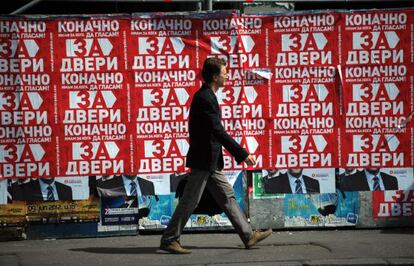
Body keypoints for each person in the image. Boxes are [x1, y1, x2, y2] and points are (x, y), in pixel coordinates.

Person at [159, 57, 271, 254]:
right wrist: (243, 154)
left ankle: (248, 235)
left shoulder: (208, 96)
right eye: (224, 72)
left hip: (210, 161)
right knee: (190, 201)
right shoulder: (205, 98)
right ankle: (169, 239)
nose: (227, 75)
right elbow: (218, 132)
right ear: (214, 76)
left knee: (228, 197)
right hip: (204, 161)